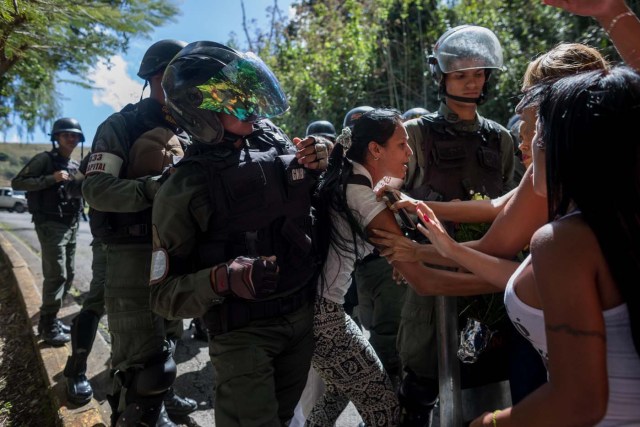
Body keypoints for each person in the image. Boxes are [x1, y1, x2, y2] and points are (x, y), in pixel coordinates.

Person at [148, 40, 330, 426]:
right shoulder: (183, 188)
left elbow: (308, 197)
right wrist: (222, 278)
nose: (253, 105)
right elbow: (163, 297)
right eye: (236, 98)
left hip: (301, 315)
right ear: (201, 110)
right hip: (245, 333)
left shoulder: (272, 139)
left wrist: (319, 159)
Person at [470, 65, 640, 427]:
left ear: (573, 145)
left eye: (540, 131)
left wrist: (490, 422)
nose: (528, 144)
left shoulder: (562, 242)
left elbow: (579, 402)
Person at [397, 25, 515, 425]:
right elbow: (390, 198)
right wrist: (402, 254)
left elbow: (512, 204)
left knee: (491, 381)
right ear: (442, 77)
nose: (471, 83)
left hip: (487, 278)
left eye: (478, 74)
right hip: (433, 278)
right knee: (421, 384)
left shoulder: (499, 139)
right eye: (461, 75)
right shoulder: (416, 134)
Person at [81, 39, 196, 426]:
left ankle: (162, 399)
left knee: (168, 341)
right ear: (154, 78)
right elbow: (95, 189)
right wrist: (151, 188)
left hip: (176, 253)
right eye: (175, 76)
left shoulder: (195, 130)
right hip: (131, 253)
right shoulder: (121, 125)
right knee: (138, 363)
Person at [306, 108, 408, 426]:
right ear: (375, 150)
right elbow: (410, 259)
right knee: (386, 410)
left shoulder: (346, 180)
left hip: (315, 310)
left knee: (338, 390)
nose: (409, 153)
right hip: (324, 318)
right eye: (402, 144)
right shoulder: (361, 197)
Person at [12, 118, 84, 347]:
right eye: (66, 135)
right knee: (57, 275)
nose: (71, 139)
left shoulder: (74, 166)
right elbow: (17, 183)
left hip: (71, 224)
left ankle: (51, 318)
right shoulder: (45, 160)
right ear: (56, 137)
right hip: (50, 223)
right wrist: (49, 179)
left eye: (75, 136)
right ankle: (47, 323)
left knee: (69, 274)